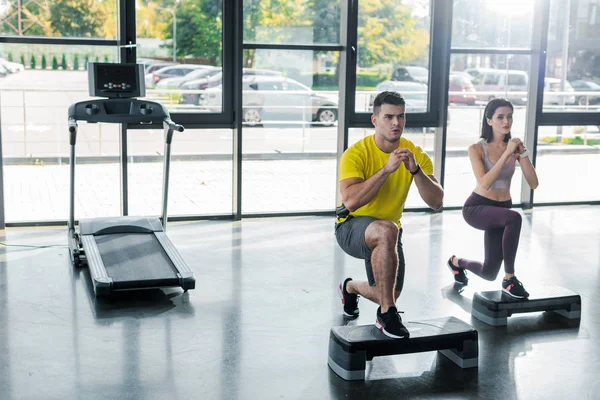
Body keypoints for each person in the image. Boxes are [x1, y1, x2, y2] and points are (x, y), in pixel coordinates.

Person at [335, 91, 444, 339]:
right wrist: (386, 169)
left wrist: (415, 171)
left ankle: (351, 287)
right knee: (387, 230)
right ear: (375, 120)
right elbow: (351, 201)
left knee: (389, 292)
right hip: (350, 228)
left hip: (389, 234)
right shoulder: (356, 153)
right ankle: (387, 315)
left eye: (401, 116)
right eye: (389, 117)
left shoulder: (415, 154)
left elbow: (436, 202)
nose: (396, 123)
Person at [447, 98, 539, 299]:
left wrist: (522, 155)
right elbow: (484, 182)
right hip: (477, 208)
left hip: (501, 209)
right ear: (489, 120)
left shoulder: (514, 148)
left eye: (509, 116)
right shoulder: (476, 149)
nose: (506, 121)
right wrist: (507, 154)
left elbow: (533, 183)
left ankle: (456, 262)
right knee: (514, 218)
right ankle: (510, 278)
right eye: (500, 117)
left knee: (488, 273)